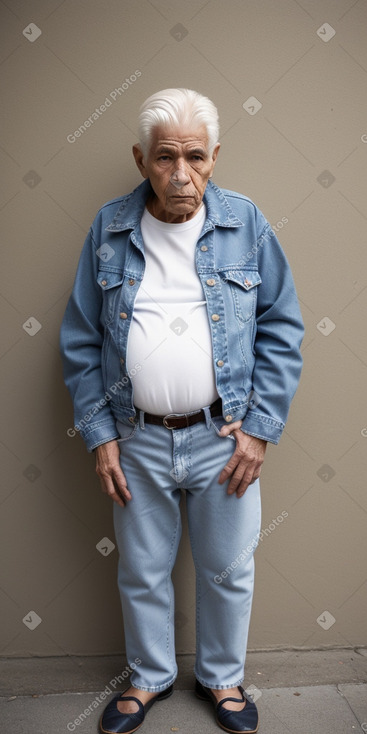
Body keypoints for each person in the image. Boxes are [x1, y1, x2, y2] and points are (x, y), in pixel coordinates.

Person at [60, 88, 304, 734]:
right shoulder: (108, 229)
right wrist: (100, 436)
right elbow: (81, 339)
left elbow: (284, 328)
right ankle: (148, 678)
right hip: (134, 436)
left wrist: (258, 430)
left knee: (228, 568)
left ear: (214, 157)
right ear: (140, 159)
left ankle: (223, 677)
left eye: (195, 157)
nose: (180, 174)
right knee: (140, 569)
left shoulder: (246, 225)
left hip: (222, 437)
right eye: (165, 157)